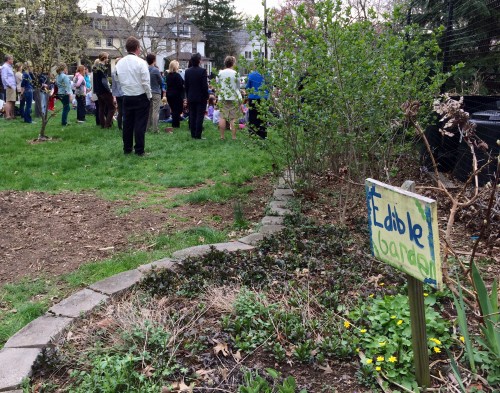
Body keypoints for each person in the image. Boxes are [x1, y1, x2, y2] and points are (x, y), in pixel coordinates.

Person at [116, 36, 151, 156]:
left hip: (127, 96)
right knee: (140, 124)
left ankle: (127, 148)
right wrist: (149, 96)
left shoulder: (119, 63)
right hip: (140, 95)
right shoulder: (141, 62)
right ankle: (139, 150)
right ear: (137, 48)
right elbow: (146, 82)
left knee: (127, 124)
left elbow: (117, 78)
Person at [217, 56, 242, 140]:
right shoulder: (236, 73)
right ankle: (234, 136)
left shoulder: (220, 73)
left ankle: (222, 136)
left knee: (222, 116)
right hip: (234, 96)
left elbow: (218, 85)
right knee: (234, 117)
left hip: (223, 96)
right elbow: (238, 87)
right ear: (233, 63)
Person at [184, 53, 208, 139]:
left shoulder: (187, 71)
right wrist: (206, 96)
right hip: (201, 97)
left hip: (191, 96)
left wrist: (187, 95)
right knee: (199, 116)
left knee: (192, 115)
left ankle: (193, 133)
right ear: (199, 61)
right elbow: (205, 86)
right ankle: (198, 135)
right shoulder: (202, 71)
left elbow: (186, 85)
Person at [245, 63, 269, 139]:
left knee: (252, 116)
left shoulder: (251, 75)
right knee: (262, 116)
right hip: (263, 97)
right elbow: (269, 87)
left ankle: (252, 133)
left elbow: (248, 87)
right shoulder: (267, 75)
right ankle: (262, 134)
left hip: (253, 97)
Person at [93, 52, 114, 128]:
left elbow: (95, 80)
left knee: (101, 108)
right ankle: (107, 125)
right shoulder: (103, 68)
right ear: (104, 58)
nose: (108, 59)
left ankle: (102, 124)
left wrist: (95, 90)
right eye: (107, 58)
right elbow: (104, 81)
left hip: (98, 90)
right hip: (104, 90)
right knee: (112, 108)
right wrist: (109, 90)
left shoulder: (95, 67)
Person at [165, 60, 184, 129]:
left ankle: (174, 123)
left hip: (169, 95)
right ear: (175, 67)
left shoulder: (168, 76)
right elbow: (181, 85)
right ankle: (176, 124)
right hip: (176, 95)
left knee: (173, 110)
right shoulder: (177, 75)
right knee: (177, 110)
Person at [146, 53, 162, 133]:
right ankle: (155, 129)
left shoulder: (145, 69)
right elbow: (161, 81)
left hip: (148, 92)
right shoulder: (156, 70)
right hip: (156, 92)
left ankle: (147, 127)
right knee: (155, 111)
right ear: (154, 60)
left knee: (148, 111)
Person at [1, 55, 17, 120]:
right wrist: (9, 84)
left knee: (13, 101)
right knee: (9, 101)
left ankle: (12, 115)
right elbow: (4, 77)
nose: (13, 60)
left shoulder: (9, 67)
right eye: (12, 59)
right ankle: (7, 115)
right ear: (8, 60)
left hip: (13, 86)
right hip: (9, 86)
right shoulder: (5, 67)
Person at [111, 57, 124, 130]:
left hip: (118, 93)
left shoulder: (113, 72)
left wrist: (114, 95)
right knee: (124, 110)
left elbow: (114, 85)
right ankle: (124, 125)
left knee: (120, 110)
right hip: (124, 93)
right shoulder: (123, 71)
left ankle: (120, 126)